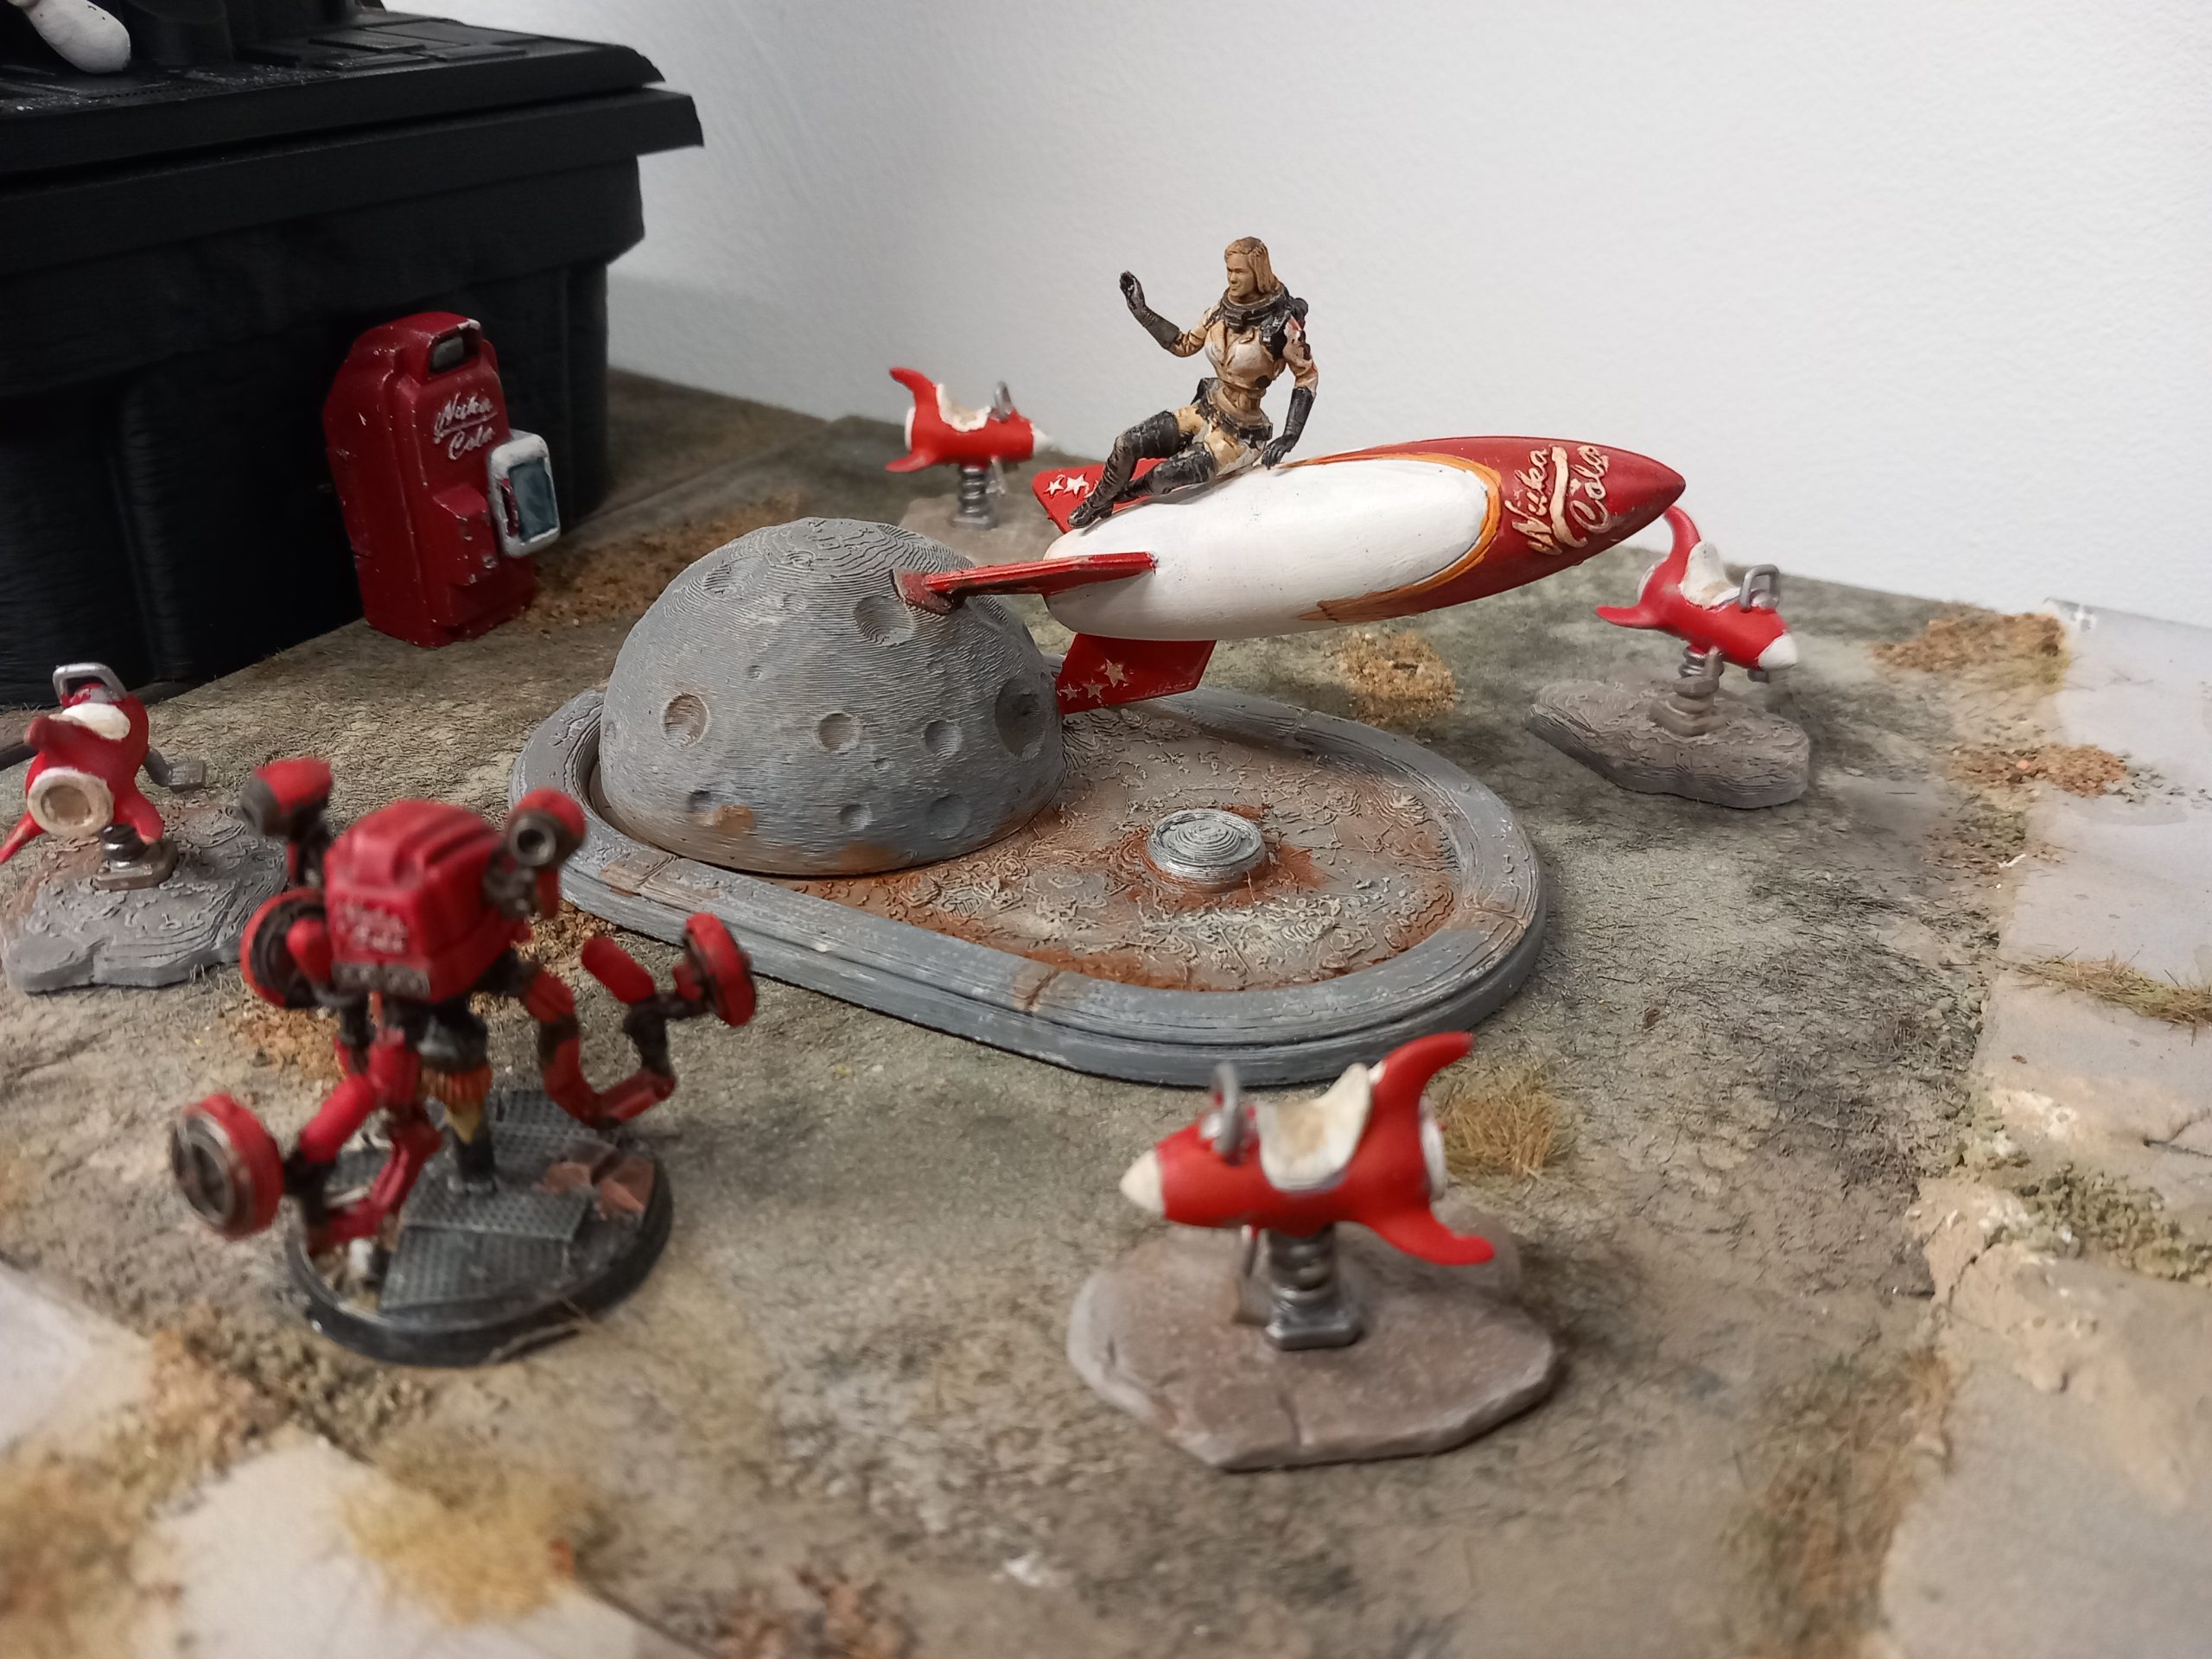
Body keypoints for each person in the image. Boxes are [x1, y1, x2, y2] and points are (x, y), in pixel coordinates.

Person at [1068, 237, 1318, 529]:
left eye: (1239, 271)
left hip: (1241, 435)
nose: (1232, 278)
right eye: (1229, 270)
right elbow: (1183, 344)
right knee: (1127, 443)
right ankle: (1098, 502)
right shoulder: (1219, 312)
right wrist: (1142, 312)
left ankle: (1125, 496)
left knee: (1163, 476)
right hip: (1205, 409)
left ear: (1258, 273)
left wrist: (1290, 435)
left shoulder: (1282, 327)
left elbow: (1307, 376)